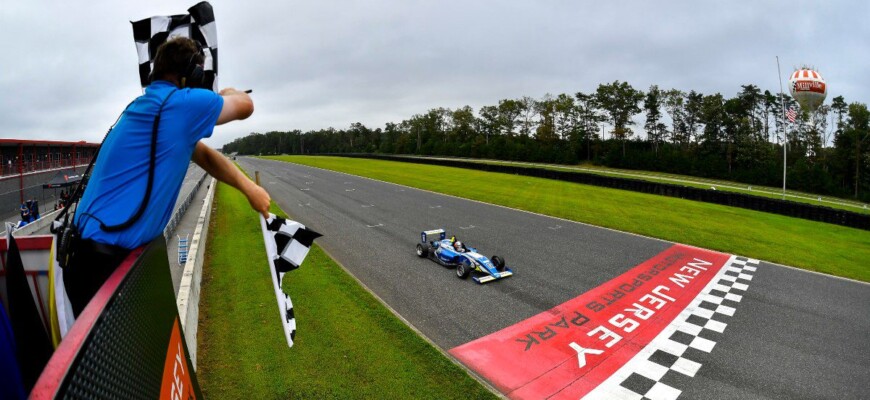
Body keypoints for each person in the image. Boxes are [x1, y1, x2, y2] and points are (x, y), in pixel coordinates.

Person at [63, 36, 270, 316]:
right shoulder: (182, 106)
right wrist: (228, 91)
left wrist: (250, 190)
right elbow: (246, 105)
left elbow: (204, 155)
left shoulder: (151, 108)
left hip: (86, 260)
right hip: (105, 267)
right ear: (192, 74)